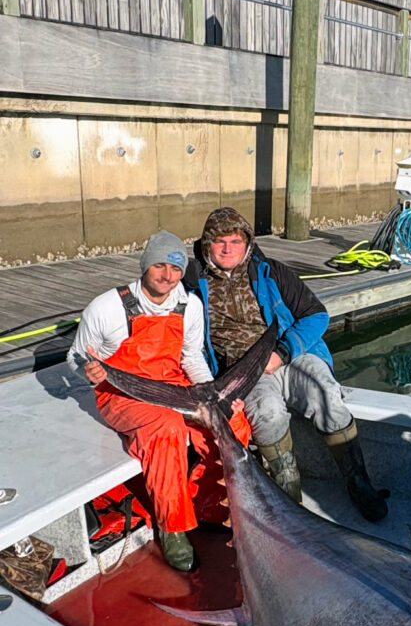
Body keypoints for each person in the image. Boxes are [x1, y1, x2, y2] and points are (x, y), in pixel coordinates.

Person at [184, 207, 389, 522]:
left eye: (236, 241)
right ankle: (289, 493)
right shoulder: (191, 282)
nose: (227, 248)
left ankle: (358, 481)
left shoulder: (271, 271)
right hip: (244, 372)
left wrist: (282, 352)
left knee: (327, 396)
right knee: (268, 414)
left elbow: (316, 314)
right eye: (219, 241)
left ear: (247, 243)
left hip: (289, 357)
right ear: (206, 243)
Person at [67, 231, 246, 572]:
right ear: (145, 266)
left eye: (176, 268)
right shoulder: (107, 307)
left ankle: (209, 504)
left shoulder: (189, 305)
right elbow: (75, 357)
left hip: (172, 385)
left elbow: (191, 357)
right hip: (120, 392)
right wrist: (85, 373)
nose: (167, 275)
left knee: (232, 421)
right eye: (159, 265)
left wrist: (211, 395)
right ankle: (172, 525)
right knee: (166, 430)